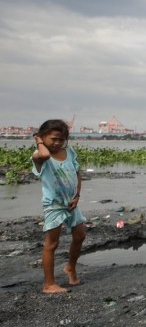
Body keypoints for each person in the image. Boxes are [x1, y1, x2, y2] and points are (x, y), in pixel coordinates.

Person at [32, 119, 88, 294]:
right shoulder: (38, 156)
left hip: (71, 202)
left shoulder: (69, 152)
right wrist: (39, 141)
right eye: (53, 139)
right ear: (42, 137)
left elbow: (77, 173)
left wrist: (77, 195)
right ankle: (49, 284)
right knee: (52, 243)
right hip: (54, 205)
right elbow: (45, 155)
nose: (57, 143)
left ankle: (70, 267)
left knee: (80, 235)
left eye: (61, 139)